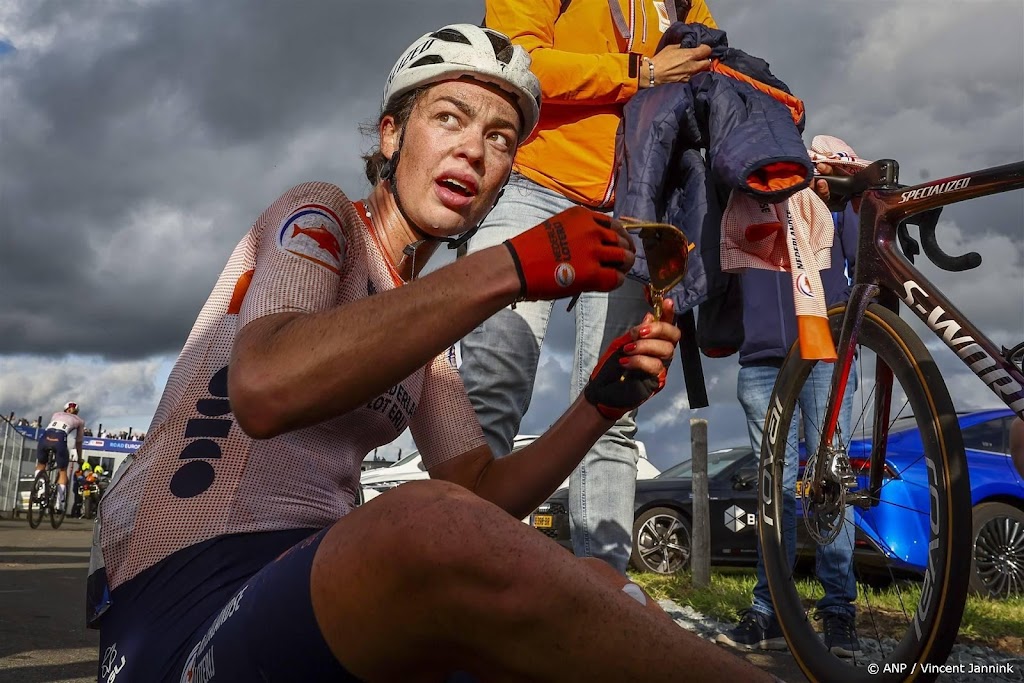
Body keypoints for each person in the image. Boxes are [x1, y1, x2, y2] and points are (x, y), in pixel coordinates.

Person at [90, 24, 778, 682]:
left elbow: (479, 491)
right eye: (449, 117)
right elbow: (264, 386)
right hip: (186, 596)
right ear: (392, 134)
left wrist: (597, 404)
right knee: (422, 523)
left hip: (308, 591)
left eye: (500, 137)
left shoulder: (420, 329)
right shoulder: (324, 215)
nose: (474, 150)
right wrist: (508, 267)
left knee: (601, 588)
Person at [459, 0, 718, 574]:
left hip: (635, 205)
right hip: (534, 185)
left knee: (616, 406)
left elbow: (707, 71)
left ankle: (602, 581)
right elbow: (516, 61)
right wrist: (642, 73)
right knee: (490, 388)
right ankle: (465, 577)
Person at [716, 161, 861, 657]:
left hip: (822, 347)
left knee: (830, 479)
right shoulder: (737, 194)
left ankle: (839, 609)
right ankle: (770, 609)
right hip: (760, 360)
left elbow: (861, 252)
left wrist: (847, 187)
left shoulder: (822, 194)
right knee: (772, 491)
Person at [35, 401, 84, 509]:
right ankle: (59, 504)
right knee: (62, 471)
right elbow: (78, 442)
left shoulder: (56, 414)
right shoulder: (79, 421)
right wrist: (79, 458)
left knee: (41, 464)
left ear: (65, 409)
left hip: (45, 438)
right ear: (77, 412)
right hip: (60, 440)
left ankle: (40, 489)